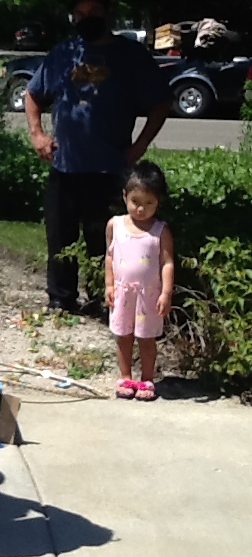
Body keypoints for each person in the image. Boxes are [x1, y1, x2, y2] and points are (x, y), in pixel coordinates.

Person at [25, 0, 173, 315]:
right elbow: (32, 94)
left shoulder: (130, 56)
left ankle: (102, 300)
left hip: (110, 166)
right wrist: (37, 133)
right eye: (79, 14)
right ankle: (60, 301)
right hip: (65, 166)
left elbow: (161, 103)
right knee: (60, 239)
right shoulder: (63, 53)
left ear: (107, 13)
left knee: (105, 240)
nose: (85, 18)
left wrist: (140, 145)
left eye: (93, 12)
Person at [105, 161, 174, 402]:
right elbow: (110, 256)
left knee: (146, 338)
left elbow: (167, 263)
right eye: (136, 202)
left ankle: (146, 378)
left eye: (149, 203)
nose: (141, 209)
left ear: (158, 202)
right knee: (123, 336)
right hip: (123, 294)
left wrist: (166, 293)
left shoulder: (159, 230)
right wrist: (109, 285)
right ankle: (125, 376)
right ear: (125, 196)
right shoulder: (116, 225)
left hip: (149, 296)